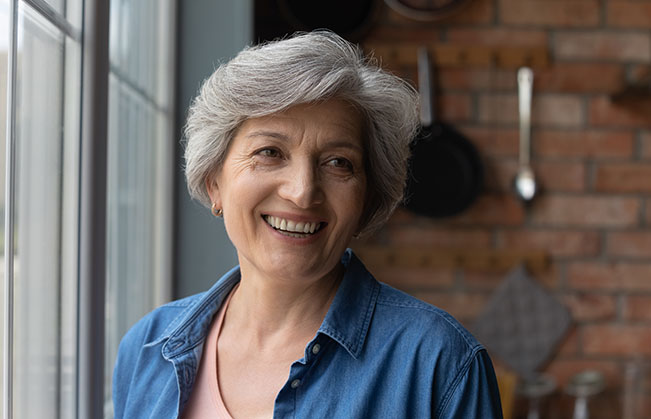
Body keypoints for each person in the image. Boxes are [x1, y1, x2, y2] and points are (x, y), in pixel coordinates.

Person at [113, 31, 503, 419]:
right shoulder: (147, 348)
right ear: (215, 182)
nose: (302, 192)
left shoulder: (441, 364)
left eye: (338, 162)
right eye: (269, 152)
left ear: (366, 200)